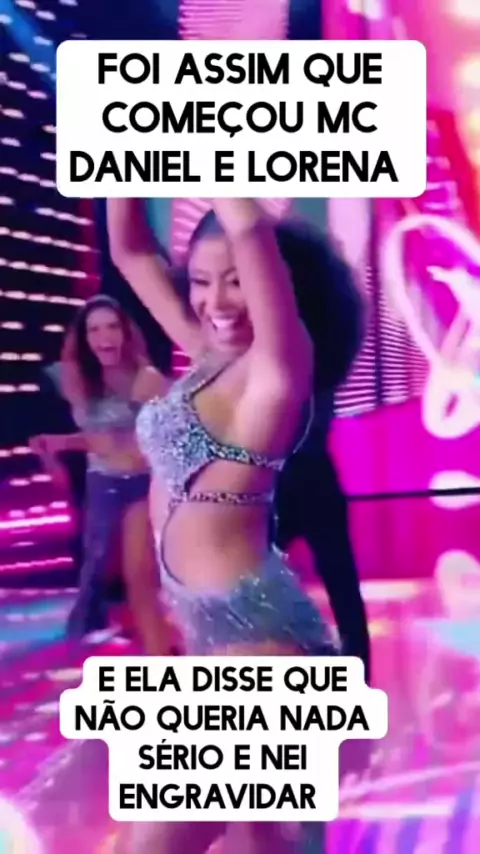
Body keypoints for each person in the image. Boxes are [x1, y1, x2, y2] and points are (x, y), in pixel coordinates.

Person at [107, 197, 345, 854]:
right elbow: (129, 249)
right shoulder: (208, 357)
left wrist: (213, 142)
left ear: (275, 284)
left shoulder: (278, 369)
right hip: (213, 644)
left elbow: (247, 225)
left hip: (261, 648)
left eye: (237, 280)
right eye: (202, 281)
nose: (217, 301)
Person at [30, 294, 171, 653]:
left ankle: (161, 656)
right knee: (97, 566)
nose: (104, 336)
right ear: (84, 338)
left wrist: (68, 443)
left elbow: (138, 440)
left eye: (111, 327)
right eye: (94, 330)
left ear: (125, 332)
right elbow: (91, 439)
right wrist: (52, 453)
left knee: (139, 575)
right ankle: (111, 626)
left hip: (142, 483)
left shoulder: (146, 379)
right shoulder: (73, 377)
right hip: (101, 482)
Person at [272, 234, 371, 683]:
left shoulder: (310, 339)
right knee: (261, 587)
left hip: (302, 476)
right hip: (280, 480)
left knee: (340, 587)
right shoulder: (312, 332)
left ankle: (352, 677)